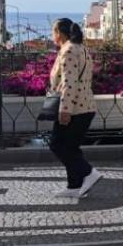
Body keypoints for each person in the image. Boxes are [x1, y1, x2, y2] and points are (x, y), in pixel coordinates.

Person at [48, 18, 101, 198]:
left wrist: (65, 110)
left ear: (60, 33)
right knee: (70, 146)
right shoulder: (82, 49)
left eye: (53, 32)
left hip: (75, 108)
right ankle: (74, 186)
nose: (52, 36)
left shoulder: (68, 50)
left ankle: (88, 173)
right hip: (86, 105)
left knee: (57, 144)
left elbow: (69, 83)